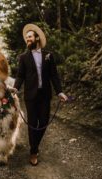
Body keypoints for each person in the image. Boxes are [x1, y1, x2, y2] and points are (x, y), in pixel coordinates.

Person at [13, 24, 68, 166]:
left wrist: (60, 92)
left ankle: (34, 146)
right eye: (26, 38)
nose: (27, 40)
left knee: (43, 123)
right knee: (32, 124)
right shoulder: (23, 57)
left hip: (45, 96)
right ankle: (33, 151)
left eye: (30, 37)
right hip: (30, 96)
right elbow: (20, 76)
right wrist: (15, 89)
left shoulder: (48, 56)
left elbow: (54, 76)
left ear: (37, 38)